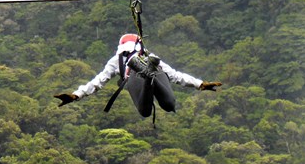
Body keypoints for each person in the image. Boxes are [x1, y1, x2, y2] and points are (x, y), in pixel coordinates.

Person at [54, 33, 222, 117]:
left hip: (134, 79)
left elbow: (98, 82)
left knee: (145, 111)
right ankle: (149, 73)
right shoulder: (149, 54)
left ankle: (146, 74)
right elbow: (175, 76)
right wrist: (200, 84)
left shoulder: (116, 60)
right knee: (169, 105)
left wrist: (76, 95)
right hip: (158, 73)